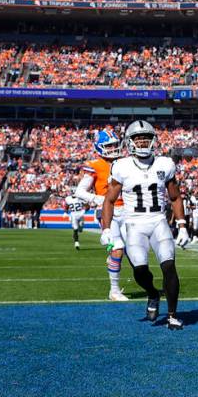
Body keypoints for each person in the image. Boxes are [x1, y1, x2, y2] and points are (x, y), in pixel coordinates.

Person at [101, 120, 189, 331]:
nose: (142, 141)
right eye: (138, 138)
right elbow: (109, 200)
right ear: (130, 142)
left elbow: (175, 197)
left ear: (153, 140)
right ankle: (151, 293)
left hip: (158, 220)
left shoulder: (165, 164)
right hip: (134, 223)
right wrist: (106, 228)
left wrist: (182, 225)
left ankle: (172, 315)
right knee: (140, 270)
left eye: (146, 137)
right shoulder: (121, 166)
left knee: (168, 266)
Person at [74, 129, 128, 301]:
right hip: (107, 212)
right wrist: (98, 198)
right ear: (100, 147)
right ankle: (114, 290)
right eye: (109, 146)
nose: (113, 149)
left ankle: (111, 257)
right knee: (118, 248)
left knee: (131, 247)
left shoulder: (125, 163)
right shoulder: (95, 165)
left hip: (127, 210)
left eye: (114, 145)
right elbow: (80, 191)